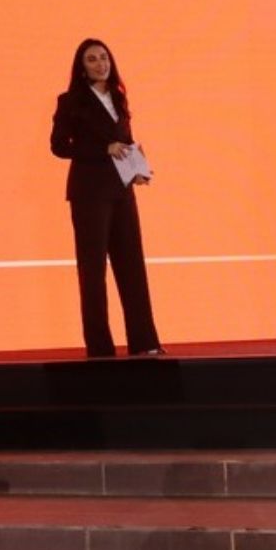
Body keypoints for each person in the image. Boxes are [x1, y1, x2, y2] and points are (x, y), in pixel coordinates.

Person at [50, 38, 163, 358]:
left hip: (121, 190)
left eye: (104, 57)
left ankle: (145, 342)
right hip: (89, 194)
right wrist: (103, 149)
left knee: (132, 266)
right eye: (92, 59)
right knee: (93, 271)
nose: (100, 64)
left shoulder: (118, 96)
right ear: (82, 68)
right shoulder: (70, 101)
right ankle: (100, 347)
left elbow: (125, 141)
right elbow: (59, 146)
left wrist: (138, 169)